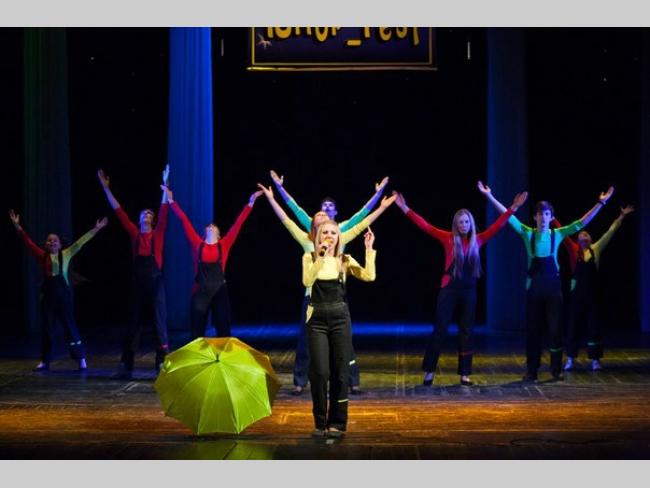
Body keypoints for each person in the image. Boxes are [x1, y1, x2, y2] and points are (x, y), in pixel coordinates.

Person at [258, 181, 395, 395]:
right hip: (312, 300)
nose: (323, 216)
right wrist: (272, 197)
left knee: (344, 343)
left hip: (337, 299)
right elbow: (289, 217)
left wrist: (382, 206)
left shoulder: (341, 238)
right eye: (319, 216)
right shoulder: (307, 243)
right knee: (306, 342)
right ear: (314, 226)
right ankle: (300, 381)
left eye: (326, 216)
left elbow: (361, 221)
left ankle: (352, 380)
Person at [394, 184, 528, 386]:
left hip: (468, 290)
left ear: (470, 223)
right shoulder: (448, 238)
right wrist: (405, 208)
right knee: (440, 329)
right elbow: (425, 226)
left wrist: (514, 208)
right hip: (449, 289)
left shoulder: (479, 240)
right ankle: (429, 371)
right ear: (456, 224)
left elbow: (499, 225)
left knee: (467, 331)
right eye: (460, 222)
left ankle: (465, 374)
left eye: (466, 222)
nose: (463, 225)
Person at [482, 183, 614, 381]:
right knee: (533, 331)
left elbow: (581, 223)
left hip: (553, 289)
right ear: (535, 217)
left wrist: (601, 203)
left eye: (546, 214)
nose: (543, 218)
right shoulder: (528, 233)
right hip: (534, 289)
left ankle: (556, 369)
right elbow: (508, 217)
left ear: (551, 217)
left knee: (555, 330)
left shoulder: (557, 234)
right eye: (539, 214)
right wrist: (490, 196)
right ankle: (532, 370)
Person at [302, 221, 376, 437]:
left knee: (340, 371)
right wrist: (321, 255)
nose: (329, 236)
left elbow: (369, 276)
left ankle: (337, 422)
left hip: (340, 318)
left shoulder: (344, 260)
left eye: (333, 233)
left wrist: (369, 250)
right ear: (318, 236)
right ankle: (319, 422)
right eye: (325, 232)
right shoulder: (309, 257)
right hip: (316, 319)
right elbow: (307, 280)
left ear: (338, 237)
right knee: (319, 372)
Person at [9, 209, 107, 371]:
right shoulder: (41, 255)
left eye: (55, 240)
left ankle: (81, 358)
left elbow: (81, 242)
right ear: (46, 244)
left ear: (60, 244)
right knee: (47, 328)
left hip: (63, 296)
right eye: (49, 240)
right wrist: (17, 226)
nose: (52, 242)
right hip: (48, 296)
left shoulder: (66, 254)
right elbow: (27, 242)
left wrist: (96, 229)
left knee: (70, 326)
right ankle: (45, 360)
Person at [161, 185, 263, 339]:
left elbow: (238, 223)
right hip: (201, 290)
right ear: (204, 232)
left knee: (223, 324)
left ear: (219, 234)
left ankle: (223, 352)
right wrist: (171, 201)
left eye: (214, 226)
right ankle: (197, 352)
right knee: (197, 326)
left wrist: (251, 202)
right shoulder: (198, 243)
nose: (211, 226)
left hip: (220, 290)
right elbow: (184, 220)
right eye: (208, 226)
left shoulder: (224, 244)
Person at [97, 166, 170, 375]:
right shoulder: (135, 233)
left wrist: (166, 184)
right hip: (138, 282)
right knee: (133, 323)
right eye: (143, 213)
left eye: (149, 213)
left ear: (152, 220)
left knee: (159, 323)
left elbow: (164, 210)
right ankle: (126, 363)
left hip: (155, 283)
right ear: (139, 220)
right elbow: (118, 210)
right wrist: (106, 188)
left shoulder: (158, 233)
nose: (147, 214)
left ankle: (161, 361)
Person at [553, 205, 634, 372]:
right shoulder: (573, 250)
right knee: (573, 325)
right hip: (576, 294)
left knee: (593, 325)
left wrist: (622, 216)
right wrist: (553, 219)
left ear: (590, 239)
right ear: (577, 239)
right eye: (581, 233)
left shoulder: (596, 249)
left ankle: (595, 360)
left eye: (587, 234)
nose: (584, 234)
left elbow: (610, 232)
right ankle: (570, 359)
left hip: (592, 294)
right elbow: (563, 232)